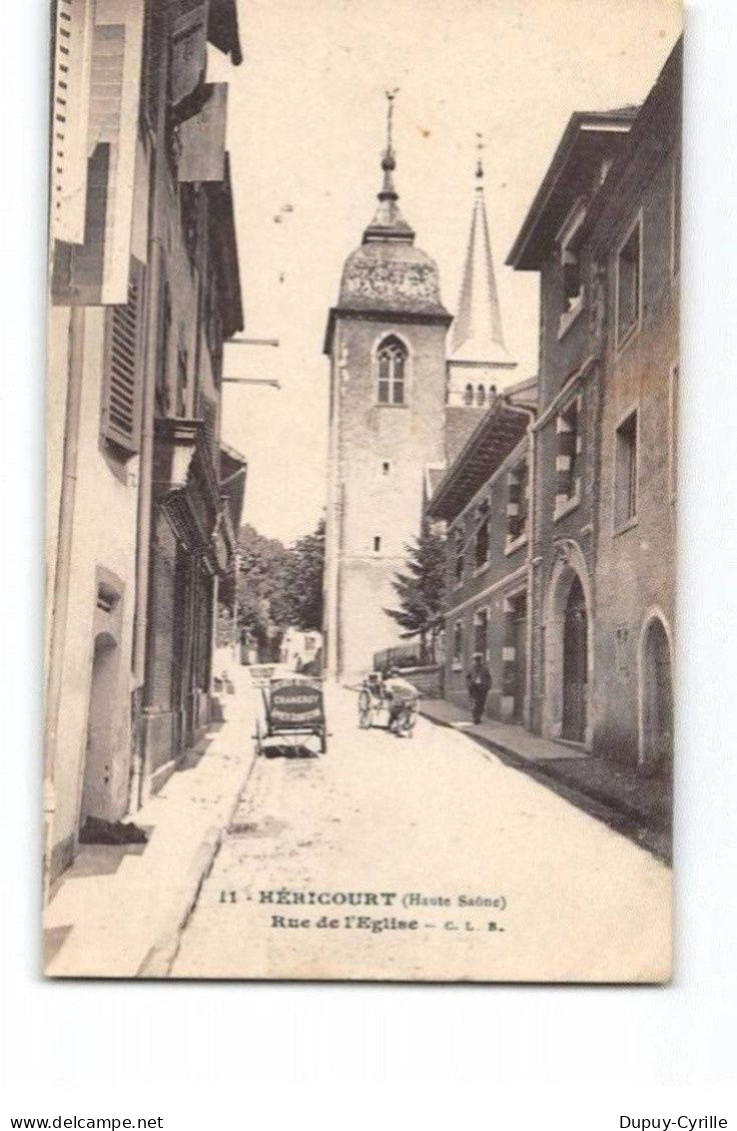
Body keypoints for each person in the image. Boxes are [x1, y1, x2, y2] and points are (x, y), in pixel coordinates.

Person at [383, 667, 419, 734]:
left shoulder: (401, 680)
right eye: (393, 673)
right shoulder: (389, 681)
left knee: (407, 708)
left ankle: (405, 724)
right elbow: (387, 688)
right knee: (394, 712)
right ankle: (392, 725)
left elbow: (408, 686)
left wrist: (415, 690)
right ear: (391, 674)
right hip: (394, 695)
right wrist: (389, 690)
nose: (395, 675)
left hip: (402, 695)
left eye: (396, 673)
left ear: (398, 674)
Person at [466, 653, 491, 725]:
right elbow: (467, 678)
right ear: (474, 660)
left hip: (482, 688)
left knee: (481, 704)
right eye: (476, 660)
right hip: (473, 687)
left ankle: (478, 717)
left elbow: (489, 678)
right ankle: (475, 718)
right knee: (475, 703)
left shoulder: (485, 668)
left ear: (481, 660)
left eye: (479, 660)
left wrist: (488, 686)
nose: (478, 661)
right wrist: (469, 685)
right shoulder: (471, 668)